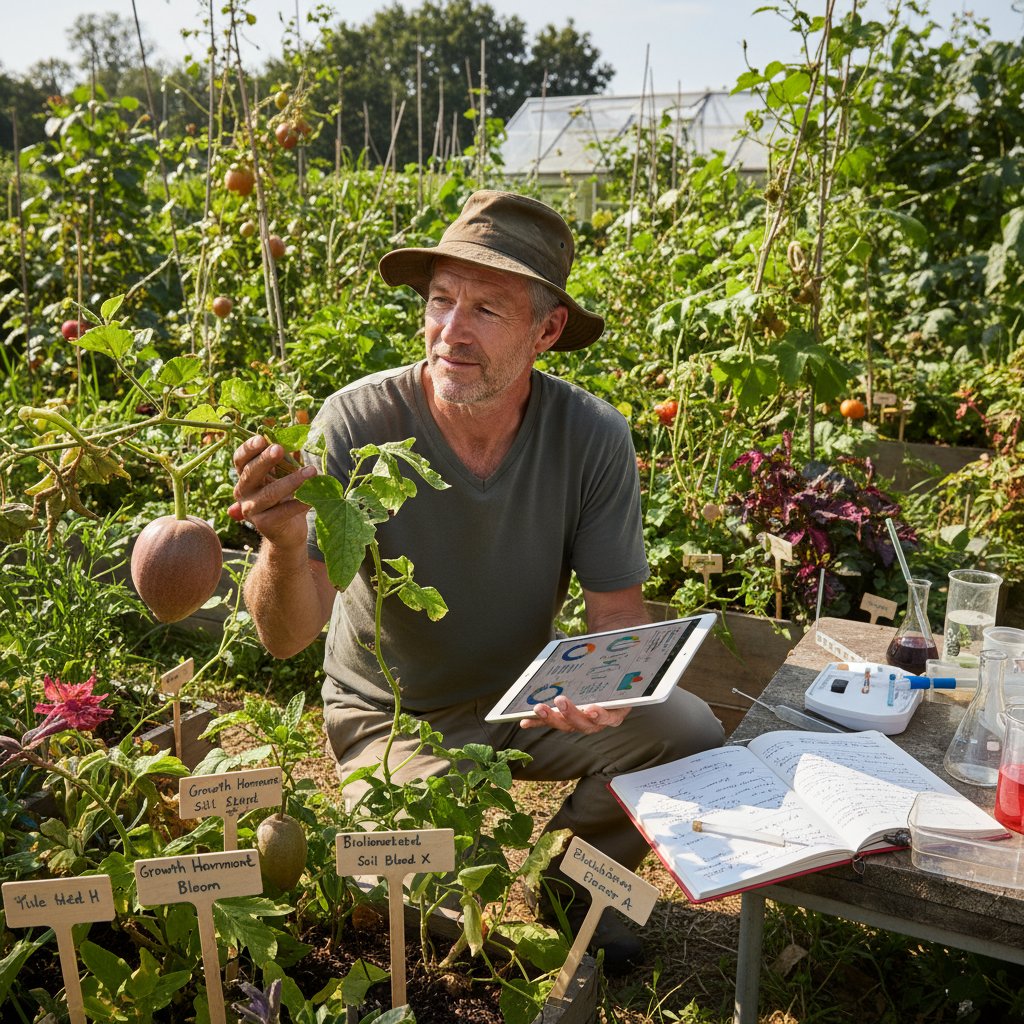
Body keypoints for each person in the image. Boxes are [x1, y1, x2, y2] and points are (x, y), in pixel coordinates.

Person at [230, 190, 725, 970]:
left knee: (688, 731)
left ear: (548, 329)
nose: (450, 334)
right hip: (393, 720)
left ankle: (578, 885)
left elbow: (616, 622)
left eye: (487, 310)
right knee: (433, 915)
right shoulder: (357, 425)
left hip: (525, 698)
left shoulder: (590, 437)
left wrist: (600, 686)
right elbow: (286, 636)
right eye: (439, 301)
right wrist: (286, 547)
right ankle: (443, 886)